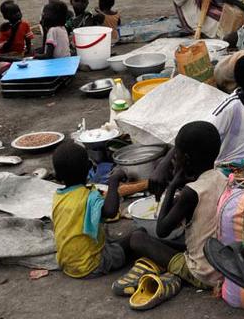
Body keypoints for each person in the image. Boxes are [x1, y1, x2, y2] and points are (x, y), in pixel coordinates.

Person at [115, 122, 227, 310]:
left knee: (138, 238)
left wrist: (173, 185)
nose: (175, 158)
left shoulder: (191, 192)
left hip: (203, 273)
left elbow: (162, 229)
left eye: (177, 153)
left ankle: (176, 275)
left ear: (186, 159)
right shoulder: (222, 177)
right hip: (222, 262)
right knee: (179, 240)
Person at [51, 141, 137, 280]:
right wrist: (114, 181)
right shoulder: (89, 196)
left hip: (67, 264)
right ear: (89, 167)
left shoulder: (58, 197)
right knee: (137, 236)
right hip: (92, 265)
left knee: (109, 236)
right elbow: (110, 212)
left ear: (57, 176)